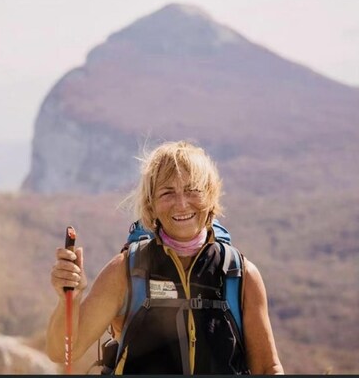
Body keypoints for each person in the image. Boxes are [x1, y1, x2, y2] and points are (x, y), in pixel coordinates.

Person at [46, 140, 284, 375]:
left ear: (211, 196)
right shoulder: (126, 271)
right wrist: (69, 300)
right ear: (151, 205)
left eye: (193, 190)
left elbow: (267, 368)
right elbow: (63, 352)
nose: (181, 204)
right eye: (167, 192)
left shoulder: (240, 275)